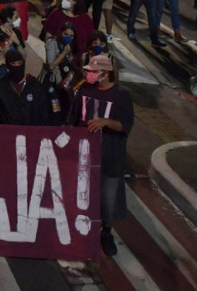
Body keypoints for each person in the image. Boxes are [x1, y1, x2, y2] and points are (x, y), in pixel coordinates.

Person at [70, 55, 134, 257]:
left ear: (106, 73)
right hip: (82, 155)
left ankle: (106, 232)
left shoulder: (122, 96)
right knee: (80, 196)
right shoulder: (84, 90)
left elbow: (125, 125)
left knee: (107, 199)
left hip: (110, 157)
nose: (89, 74)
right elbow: (72, 119)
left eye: (93, 71)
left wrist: (105, 122)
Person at [0, 49, 49, 126]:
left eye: (19, 63)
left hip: (31, 133)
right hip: (8, 134)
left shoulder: (35, 85)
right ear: (8, 65)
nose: (17, 66)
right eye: (13, 64)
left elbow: (43, 114)